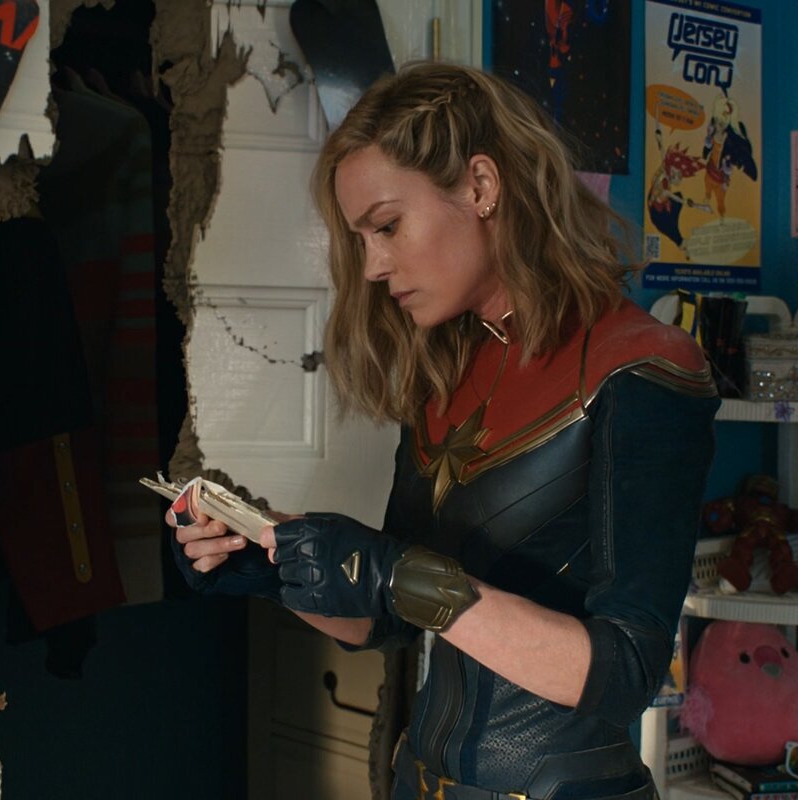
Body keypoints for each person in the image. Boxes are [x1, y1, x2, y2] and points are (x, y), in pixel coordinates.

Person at [172, 62, 717, 799]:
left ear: (481, 187)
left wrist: (396, 573)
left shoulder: (642, 367)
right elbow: (391, 620)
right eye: (362, 238)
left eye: (387, 226)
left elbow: (626, 673)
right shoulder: (448, 367)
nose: (371, 266)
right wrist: (271, 566)